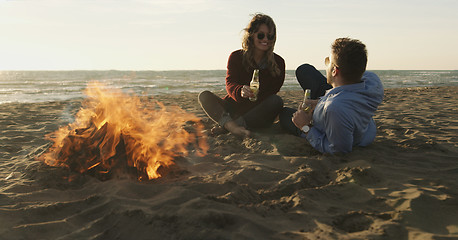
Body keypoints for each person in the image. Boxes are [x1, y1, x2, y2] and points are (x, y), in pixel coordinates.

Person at [280, 38, 384, 154]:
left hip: (327, 124)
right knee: (304, 70)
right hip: (354, 117)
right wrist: (318, 101)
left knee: (285, 114)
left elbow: (338, 150)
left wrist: (305, 127)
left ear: (334, 70)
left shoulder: (335, 109)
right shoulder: (373, 81)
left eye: (328, 61)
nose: (326, 64)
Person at [198, 13, 285, 137]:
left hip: (257, 113)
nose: (265, 39)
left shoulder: (279, 63)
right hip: (233, 107)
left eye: (270, 36)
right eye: (261, 35)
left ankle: (231, 126)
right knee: (204, 96)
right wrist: (240, 91)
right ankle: (233, 127)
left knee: (276, 101)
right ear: (251, 35)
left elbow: (271, 93)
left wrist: (253, 94)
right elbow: (230, 83)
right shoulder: (236, 57)